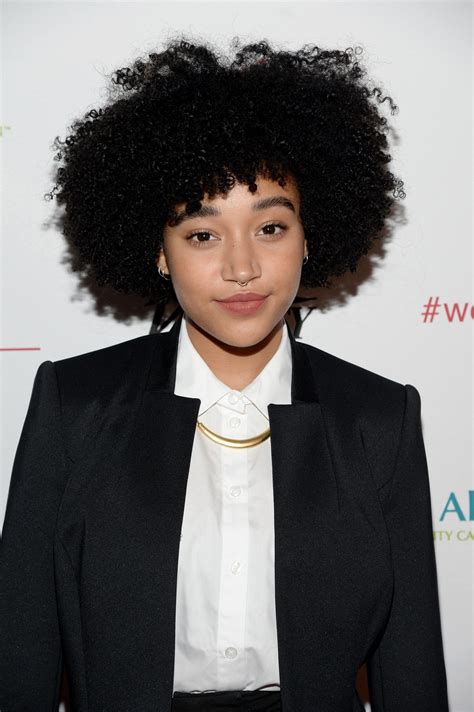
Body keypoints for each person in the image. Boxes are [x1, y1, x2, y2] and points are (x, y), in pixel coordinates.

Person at [0, 36, 449, 712]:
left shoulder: (380, 419)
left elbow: (410, 671)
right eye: (203, 234)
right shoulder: (74, 406)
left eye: (270, 228)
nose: (242, 268)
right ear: (159, 251)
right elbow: (21, 654)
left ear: (309, 237)